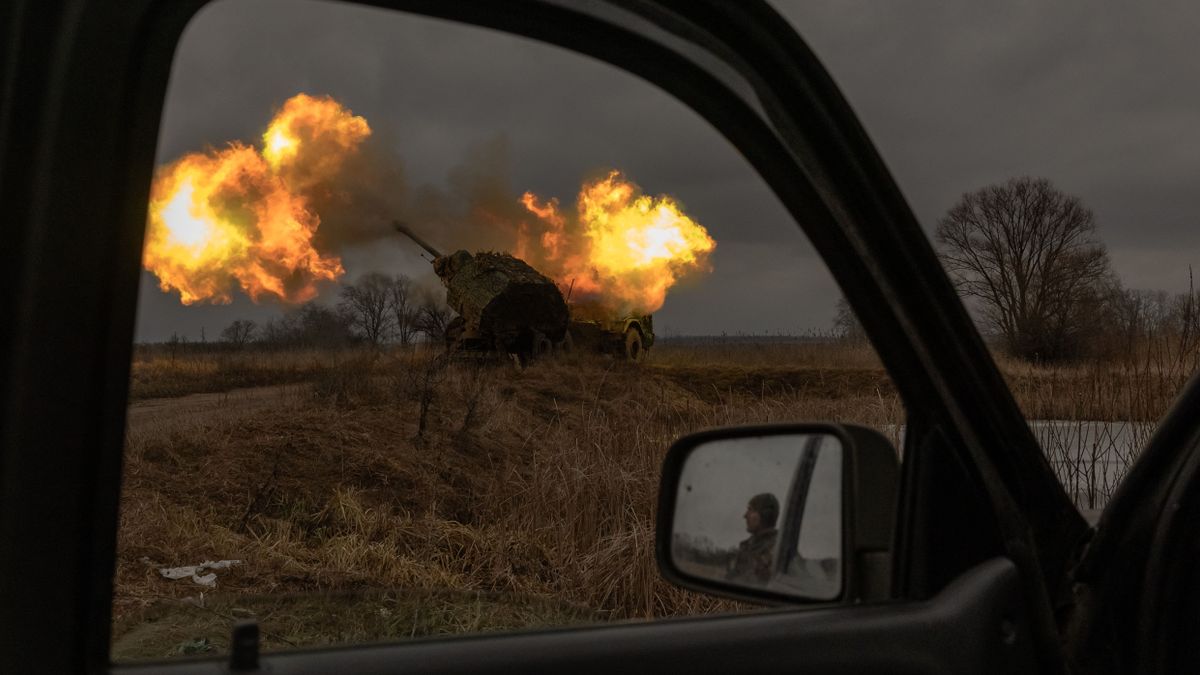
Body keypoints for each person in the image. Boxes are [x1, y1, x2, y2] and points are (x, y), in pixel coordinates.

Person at [726, 492, 780, 585]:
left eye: (750, 510)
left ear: (765, 515)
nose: (745, 516)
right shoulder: (747, 546)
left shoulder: (778, 550)